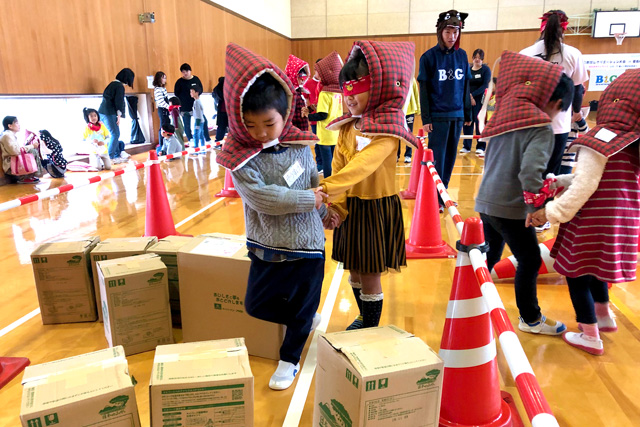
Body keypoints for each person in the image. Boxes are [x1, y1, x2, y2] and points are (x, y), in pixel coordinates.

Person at [216, 43, 325, 391]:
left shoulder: (299, 143)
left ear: (285, 114)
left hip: (308, 245)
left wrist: (324, 210)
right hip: (266, 245)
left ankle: (290, 359)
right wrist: (310, 199)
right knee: (256, 303)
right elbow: (263, 198)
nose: (261, 132)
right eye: (251, 124)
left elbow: (312, 181)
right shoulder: (240, 157)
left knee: (303, 305)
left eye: (269, 123)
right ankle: (304, 320)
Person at [528, 69, 640, 356]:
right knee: (596, 269)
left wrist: (550, 213)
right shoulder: (631, 144)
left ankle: (589, 333)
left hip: (591, 223)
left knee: (576, 274)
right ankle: (603, 316)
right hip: (620, 224)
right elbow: (601, 179)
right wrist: (561, 180)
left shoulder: (600, 140)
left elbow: (585, 186)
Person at [318, 41, 419, 330]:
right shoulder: (349, 127)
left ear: (378, 88)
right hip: (351, 207)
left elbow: (362, 166)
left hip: (376, 207)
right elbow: (338, 163)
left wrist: (325, 189)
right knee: (354, 269)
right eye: (345, 89)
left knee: (371, 273)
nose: (348, 97)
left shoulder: (387, 132)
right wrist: (335, 203)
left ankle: (370, 327)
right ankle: (364, 317)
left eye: (355, 89)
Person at [475, 51, 574, 337]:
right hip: (510, 208)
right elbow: (530, 175)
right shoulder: (540, 127)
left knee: (490, 254)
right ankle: (530, 318)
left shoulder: (506, 118)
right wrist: (535, 211)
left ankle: (473, 299)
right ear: (556, 104)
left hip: (486, 202)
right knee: (530, 259)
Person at [520, 10, 589, 177]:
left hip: (528, 123)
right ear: (563, 30)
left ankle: (527, 202)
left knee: (528, 173)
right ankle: (546, 203)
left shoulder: (525, 53)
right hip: (558, 125)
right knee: (550, 176)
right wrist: (577, 112)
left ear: (541, 28)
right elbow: (578, 89)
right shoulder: (572, 54)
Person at [417, 10, 472, 212]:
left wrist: (467, 113)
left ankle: (443, 194)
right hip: (438, 116)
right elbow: (424, 89)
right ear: (440, 32)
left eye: (455, 32)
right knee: (437, 159)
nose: (452, 36)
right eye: (448, 32)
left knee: (450, 159)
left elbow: (465, 86)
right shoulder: (429, 57)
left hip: (457, 115)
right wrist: (426, 118)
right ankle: (433, 196)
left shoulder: (462, 55)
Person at [303, 51, 343, 177]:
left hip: (325, 134)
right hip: (335, 133)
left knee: (327, 162)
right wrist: (311, 109)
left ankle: (328, 183)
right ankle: (335, 180)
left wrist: (308, 116)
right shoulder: (337, 93)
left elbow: (323, 115)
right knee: (334, 161)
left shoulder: (325, 94)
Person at [98, 68, 134, 163]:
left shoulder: (112, 84)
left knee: (113, 134)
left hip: (102, 112)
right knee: (115, 134)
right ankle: (110, 157)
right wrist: (119, 116)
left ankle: (115, 154)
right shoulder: (119, 86)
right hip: (108, 112)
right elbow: (119, 101)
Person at [460, 48, 490, 157]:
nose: (477, 60)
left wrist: (473, 95)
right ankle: (466, 146)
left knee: (478, 123)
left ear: (482, 59)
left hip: (479, 100)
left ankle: (481, 147)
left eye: (479, 58)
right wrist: (469, 96)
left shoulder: (485, 70)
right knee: (467, 121)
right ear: (472, 58)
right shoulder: (467, 68)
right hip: (467, 98)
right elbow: (463, 83)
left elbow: (485, 85)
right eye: (475, 57)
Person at [174, 63, 209, 143]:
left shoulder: (195, 79)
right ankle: (190, 140)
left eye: (186, 71)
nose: (185, 73)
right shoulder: (179, 82)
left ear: (190, 71)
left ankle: (207, 138)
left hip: (195, 105)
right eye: (183, 72)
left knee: (203, 121)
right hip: (185, 106)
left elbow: (200, 89)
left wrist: (195, 97)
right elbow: (176, 93)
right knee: (187, 124)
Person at [1, 116, 41, 184]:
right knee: (32, 151)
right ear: (10, 126)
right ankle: (25, 177)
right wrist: (32, 146)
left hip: (14, 162)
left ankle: (29, 176)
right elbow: (15, 152)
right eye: (16, 123)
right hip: (10, 165)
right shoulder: (7, 135)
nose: (19, 125)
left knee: (31, 150)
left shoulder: (9, 135)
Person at [303, 59, 323, 172]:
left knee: (328, 143)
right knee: (318, 143)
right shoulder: (308, 84)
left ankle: (328, 164)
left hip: (326, 119)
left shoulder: (326, 84)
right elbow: (306, 101)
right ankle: (320, 165)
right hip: (315, 119)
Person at [285, 54, 310, 132]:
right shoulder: (291, 94)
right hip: (296, 133)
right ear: (294, 76)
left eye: (304, 77)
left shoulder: (299, 92)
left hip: (302, 131)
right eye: (300, 77)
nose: (303, 80)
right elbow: (294, 117)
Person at [398, 78, 420, 164]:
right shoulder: (396, 78)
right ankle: (397, 154)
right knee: (397, 133)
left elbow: (416, 93)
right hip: (398, 110)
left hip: (409, 111)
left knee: (408, 133)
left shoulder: (411, 79)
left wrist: (418, 109)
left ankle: (408, 155)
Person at [153, 71, 170, 153]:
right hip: (162, 109)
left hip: (166, 109)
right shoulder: (157, 89)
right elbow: (161, 102)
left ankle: (166, 144)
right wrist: (168, 106)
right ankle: (161, 145)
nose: (164, 80)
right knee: (163, 127)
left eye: (165, 78)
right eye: (163, 78)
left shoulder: (163, 89)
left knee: (167, 126)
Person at [212, 77, 227, 146]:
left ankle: (218, 142)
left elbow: (215, 99)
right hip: (227, 111)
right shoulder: (227, 88)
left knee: (221, 128)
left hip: (221, 110)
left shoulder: (216, 89)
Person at [190, 85, 206, 153]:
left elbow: (199, 114)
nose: (190, 93)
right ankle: (203, 149)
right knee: (201, 135)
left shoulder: (196, 102)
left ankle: (196, 150)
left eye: (192, 92)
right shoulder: (197, 101)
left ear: (197, 92)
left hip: (198, 121)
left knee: (196, 135)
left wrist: (197, 124)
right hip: (201, 120)